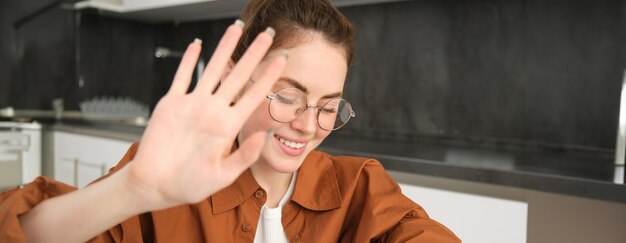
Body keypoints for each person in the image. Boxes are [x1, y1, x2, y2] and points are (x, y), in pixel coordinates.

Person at [0, 0, 460, 242]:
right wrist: (133, 191)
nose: (307, 125)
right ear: (234, 82)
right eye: (288, 97)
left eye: (327, 106)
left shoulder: (359, 186)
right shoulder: (165, 182)